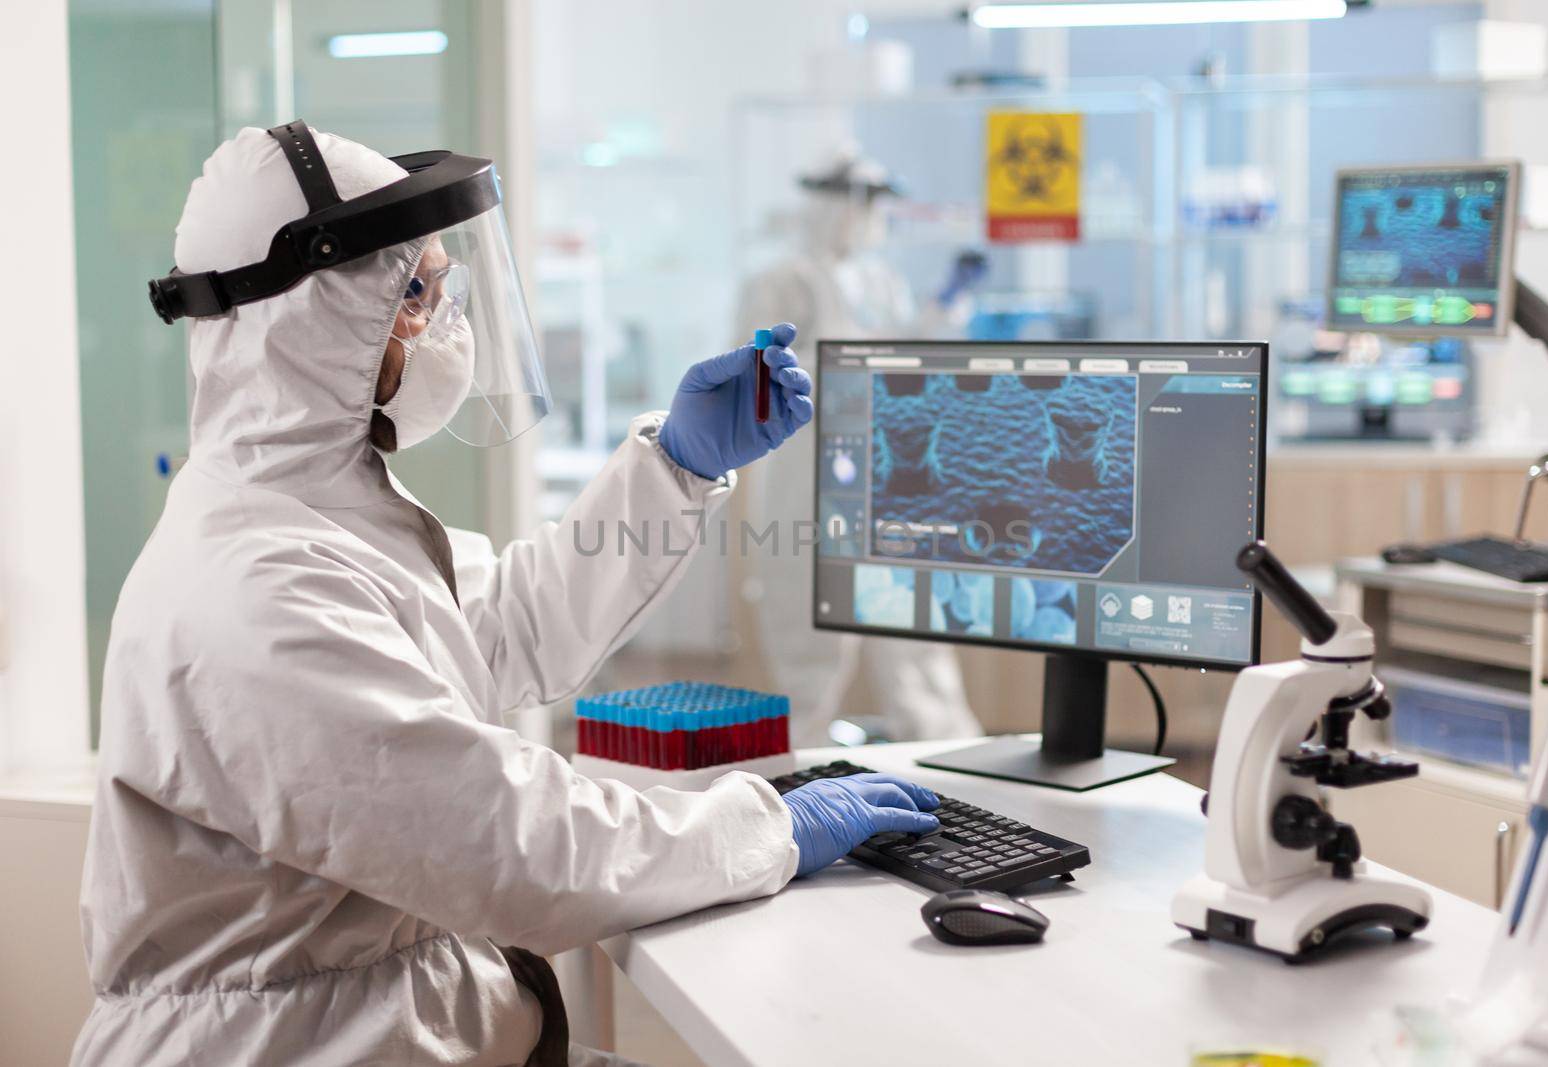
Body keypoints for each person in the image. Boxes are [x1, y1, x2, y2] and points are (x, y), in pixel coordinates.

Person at [74, 123, 940, 1067]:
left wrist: (674, 468)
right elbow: (523, 852)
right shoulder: (258, 588)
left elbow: (511, 626)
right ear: (315, 318)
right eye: (416, 294)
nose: (450, 323)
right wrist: (766, 825)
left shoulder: (323, 517)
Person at [735, 148, 988, 745]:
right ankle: (799, 764)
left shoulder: (880, 280)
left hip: (895, 469)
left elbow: (909, 354)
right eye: (862, 204)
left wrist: (946, 304)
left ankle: (945, 752)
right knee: (808, 627)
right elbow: (753, 375)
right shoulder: (785, 281)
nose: (870, 218)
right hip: (813, 473)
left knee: (912, 627)